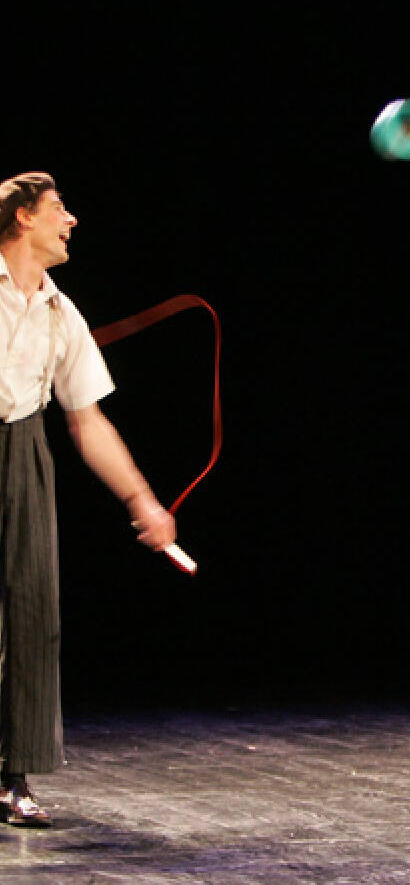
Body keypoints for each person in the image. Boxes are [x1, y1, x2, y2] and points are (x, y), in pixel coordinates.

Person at [0, 172, 177, 826]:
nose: (70, 220)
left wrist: (143, 501)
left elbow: (88, 420)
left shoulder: (59, 310)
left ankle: (11, 776)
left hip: (23, 452)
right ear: (23, 217)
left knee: (30, 612)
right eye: (59, 209)